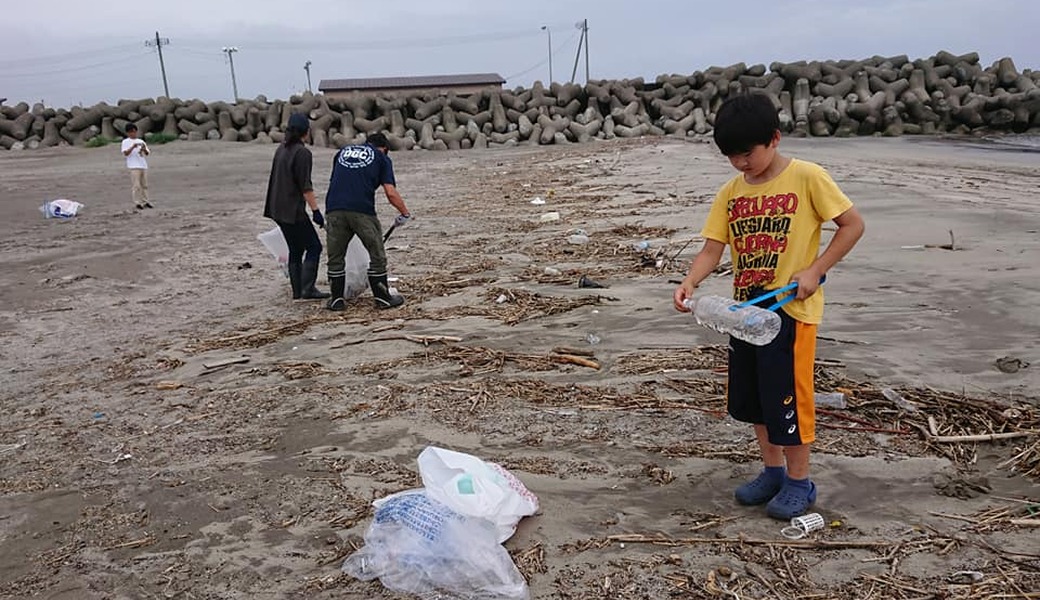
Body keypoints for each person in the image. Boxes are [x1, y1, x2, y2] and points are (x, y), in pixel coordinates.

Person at [672, 93, 865, 520]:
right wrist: (690, 280)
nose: (741, 163)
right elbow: (712, 248)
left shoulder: (807, 177)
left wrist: (814, 270)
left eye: (747, 153)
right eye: (731, 157)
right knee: (756, 400)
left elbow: (852, 225)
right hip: (747, 314)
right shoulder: (731, 193)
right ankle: (773, 471)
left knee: (789, 401)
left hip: (791, 313)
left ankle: (800, 480)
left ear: (774, 139)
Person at [324, 132, 412, 311]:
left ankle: (336, 300)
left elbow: (336, 180)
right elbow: (390, 192)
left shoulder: (342, 152)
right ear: (385, 149)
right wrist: (404, 212)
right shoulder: (381, 158)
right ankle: (382, 298)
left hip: (334, 208)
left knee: (336, 257)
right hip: (362, 209)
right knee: (377, 254)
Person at [263, 112, 329, 301]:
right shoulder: (302, 153)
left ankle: (297, 291)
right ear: (306, 132)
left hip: (276, 208)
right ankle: (308, 289)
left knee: (295, 248)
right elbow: (305, 186)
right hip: (292, 210)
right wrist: (316, 212)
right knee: (314, 247)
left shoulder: (281, 149)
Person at [121, 123, 152, 209]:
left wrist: (144, 149)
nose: (133, 134)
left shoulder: (141, 141)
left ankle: (146, 201)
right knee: (136, 185)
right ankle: (137, 202)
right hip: (133, 166)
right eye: (131, 132)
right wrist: (132, 147)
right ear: (128, 133)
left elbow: (147, 153)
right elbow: (125, 153)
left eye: (134, 132)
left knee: (144, 185)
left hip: (143, 165)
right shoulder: (125, 142)